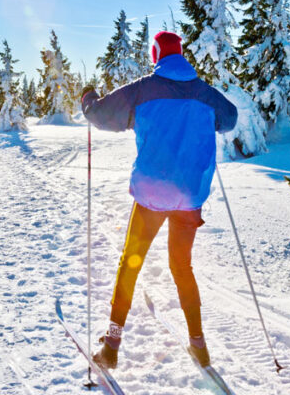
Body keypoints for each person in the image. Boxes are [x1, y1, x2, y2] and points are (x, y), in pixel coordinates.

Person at [81, 31, 238, 370]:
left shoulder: (143, 89)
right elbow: (230, 119)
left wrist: (88, 99)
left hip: (152, 195)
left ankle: (112, 344)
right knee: (181, 266)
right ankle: (199, 344)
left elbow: (101, 116)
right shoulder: (204, 92)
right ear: (180, 55)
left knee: (131, 261)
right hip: (189, 196)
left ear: (156, 55)